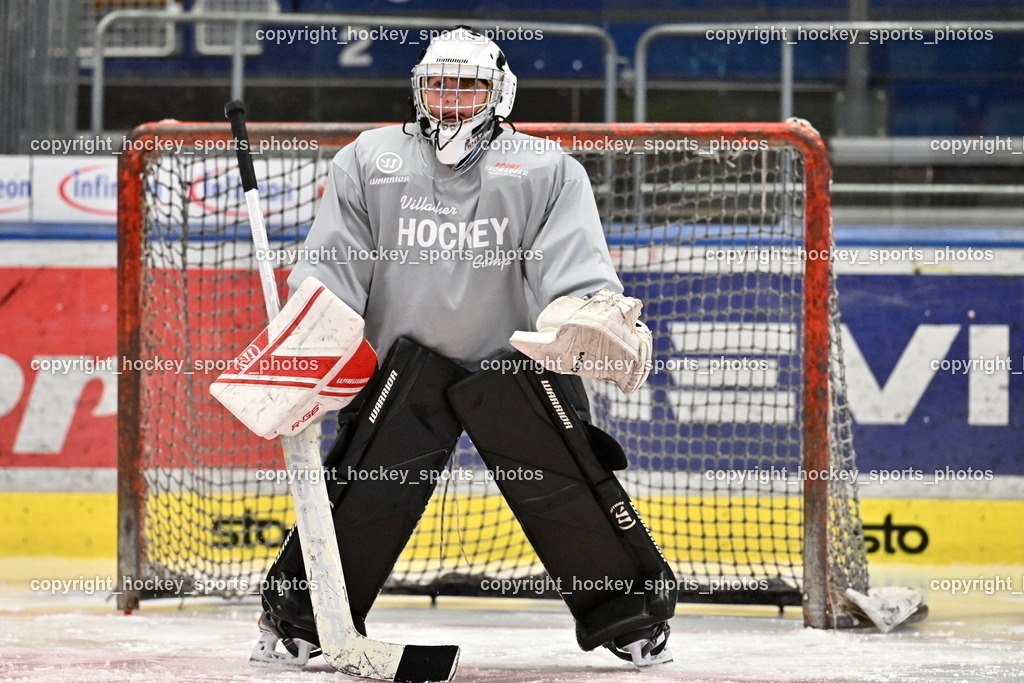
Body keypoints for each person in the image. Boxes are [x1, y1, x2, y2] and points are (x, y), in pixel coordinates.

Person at [254, 26, 676, 669]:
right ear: (419, 89)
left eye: (467, 85)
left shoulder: (546, 168)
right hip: (400, 363)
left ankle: (631, 617)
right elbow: (334, 264)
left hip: (513, 364)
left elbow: (576, 270)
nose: (450, 99)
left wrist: (590, 313)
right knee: (365, 488)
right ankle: (300, 618)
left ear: (499, 92)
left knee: (568, 485)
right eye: (437, 84)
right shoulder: (369, 159)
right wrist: (309, 330)